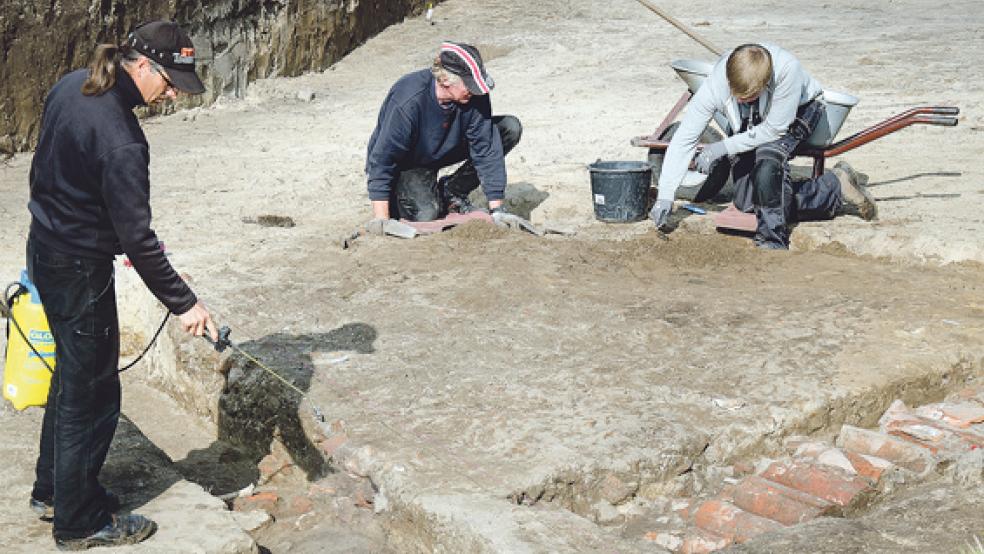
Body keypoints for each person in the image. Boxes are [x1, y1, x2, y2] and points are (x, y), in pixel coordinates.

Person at [26, 20, 217, 550]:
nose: (174, 92)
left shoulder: (70, 84)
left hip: (43, 248)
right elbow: (138, 236)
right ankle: (80, 522)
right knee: (93, 393)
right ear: (141, 65)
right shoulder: (123, 140)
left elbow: (47, 170)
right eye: (171, 79)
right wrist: (185, 303)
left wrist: (92, 225)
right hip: (79, 269)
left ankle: (53, 492)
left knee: (70, 376)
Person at [650, 43, 877, 249]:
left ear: (765, 84)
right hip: (755, 115)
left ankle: (772, 242)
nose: (740, 101)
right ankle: (834, 186)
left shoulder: (787, 71)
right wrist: (665, 195)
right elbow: (685, 138)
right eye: (737, 96)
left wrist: (722, 147)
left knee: (768, 163)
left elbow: (773, 131)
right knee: (747, 203)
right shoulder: (717, 82)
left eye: (747, 97)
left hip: (799, 110)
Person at [365, 41, 528, 229]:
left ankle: (453, 190)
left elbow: (486, 148)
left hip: (444, 145)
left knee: (509, 128)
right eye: (470, 85)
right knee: (426, 214)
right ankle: (407, 196)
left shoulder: (474, 95)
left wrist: (498, 210)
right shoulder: (408, 101)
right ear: (444, 81)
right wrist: (382, 219)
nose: (476, 91)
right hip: (409, 162)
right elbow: (382, 159)